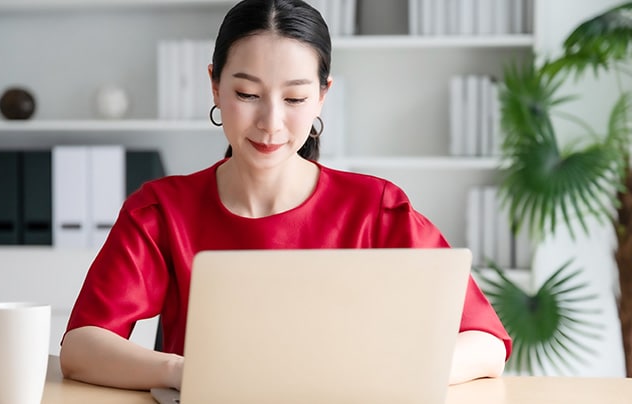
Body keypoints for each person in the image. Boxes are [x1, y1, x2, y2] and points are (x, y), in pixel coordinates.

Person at [60, 0, 511, 391]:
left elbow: (486, 343)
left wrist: (389, 375)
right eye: (247, 93)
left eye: (294, 99)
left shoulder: (375, 209)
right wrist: (184, 372)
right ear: (214, 85)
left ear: (321, 96)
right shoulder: (161, 210)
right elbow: (81, 347)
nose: (271, 122)